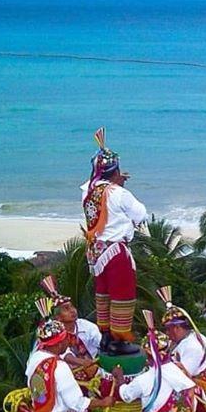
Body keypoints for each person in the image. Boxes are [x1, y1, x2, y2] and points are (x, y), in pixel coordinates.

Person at [81, 127, 147, 354]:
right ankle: (119, 341)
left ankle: (106, 336)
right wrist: (119, 187)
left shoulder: (87, 191)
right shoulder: (118, 193)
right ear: (115, 170)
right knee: (122, 294)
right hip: (116, 251)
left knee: (104, 293)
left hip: (96, 252)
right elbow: (141, 214)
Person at [24, 306, 115, 412]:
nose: (70, 341)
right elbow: (77, 403)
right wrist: (103, 402)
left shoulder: (35, 358)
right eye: (67, 338)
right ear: (59, 343)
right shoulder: (60, 368)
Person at [157, 286, 206, 398]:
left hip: (191, 392)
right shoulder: (184, 339)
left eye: (168, 330)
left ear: (177, 328)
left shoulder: (193, 347)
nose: (167, 334)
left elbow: (181, 377)